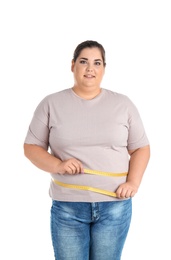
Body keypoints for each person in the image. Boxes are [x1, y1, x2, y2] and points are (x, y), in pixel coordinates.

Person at [23, 40, 150, 260]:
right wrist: (58, 165)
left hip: (115, 207)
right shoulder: (50, 103)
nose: (90, 68)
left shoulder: (123, 104)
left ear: (104, 68)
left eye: (97, 63)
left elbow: (141, 147)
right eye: (84, 61)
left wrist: (133, 183)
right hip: (68, 207)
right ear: (72, 65)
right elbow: (31, 147)